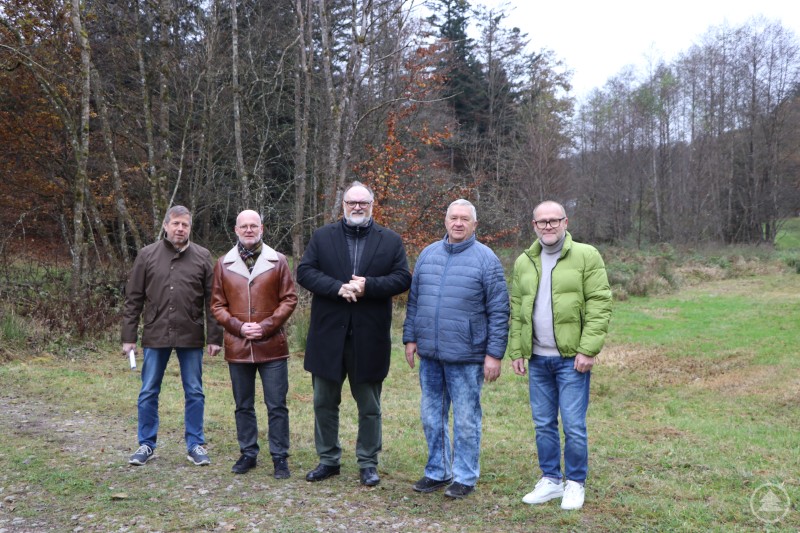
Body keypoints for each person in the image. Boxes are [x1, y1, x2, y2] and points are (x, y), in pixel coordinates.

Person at [297, 181, 411, 487]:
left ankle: (368, 462)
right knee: (323, 401)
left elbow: (402, 278)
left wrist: (368, 286)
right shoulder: (323, 237)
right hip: (328, 337)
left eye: (363, 202)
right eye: (352, 202)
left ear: (372, 205)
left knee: (370, 407)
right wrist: (337, 287)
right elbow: (305, 272)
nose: (357, 207)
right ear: (343, 205)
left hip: (369, 337)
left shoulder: (389, 240)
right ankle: (328, 459)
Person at [506, 200, 612, 511]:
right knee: (543, 423)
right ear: (534, 225)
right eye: (542, 221)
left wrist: (588, 349)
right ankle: (551, 480)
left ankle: (575, 482)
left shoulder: (586, 255)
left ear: (566, 222)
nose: (548, 226)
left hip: (572, 359)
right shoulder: (525, 261)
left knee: (574, 424)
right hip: (538, 359)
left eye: (554, 220)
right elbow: (517, 311)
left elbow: (599, 304)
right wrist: (517, 350)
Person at [402, 199, 509, 499]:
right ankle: (437, 471)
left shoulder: (487, 259)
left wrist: (494, 354)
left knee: (465, 419)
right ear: (445, 221)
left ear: (475, 224)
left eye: (465, 219)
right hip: (431, 355)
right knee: (431, 416)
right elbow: (415, 301)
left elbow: (500, 311)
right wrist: (410, 337)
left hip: (467, 356)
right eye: (453, 218)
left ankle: (464, 476)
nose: (458, 223)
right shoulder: (428, 254)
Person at [122, 205, 223, 467]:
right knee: (148, 391)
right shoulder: (146, 255)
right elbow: (133, 299)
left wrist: (215, 337)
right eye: (176, 223)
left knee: (194, 391)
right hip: (156, 333)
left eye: (185, 225)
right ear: (166, 225)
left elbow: (213, 301)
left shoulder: (202, 256)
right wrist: (128, 336)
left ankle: (195, 445)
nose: (180, 229)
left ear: (190, 228)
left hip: (191, 334)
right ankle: (146, 444)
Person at [211, 210, 298, 478]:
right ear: (235, 230)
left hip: (272, 346)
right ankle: (248, 453)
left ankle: (280, 457)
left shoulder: (278, 261)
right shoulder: (223, 263)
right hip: (238, 346)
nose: (249, 230)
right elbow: (217, 304)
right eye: (243, 226)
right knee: (243, 404)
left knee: (277, 405)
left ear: (262, 228)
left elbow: (289, 299)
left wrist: (267, 326)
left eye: (254, 226)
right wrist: (238, 326)